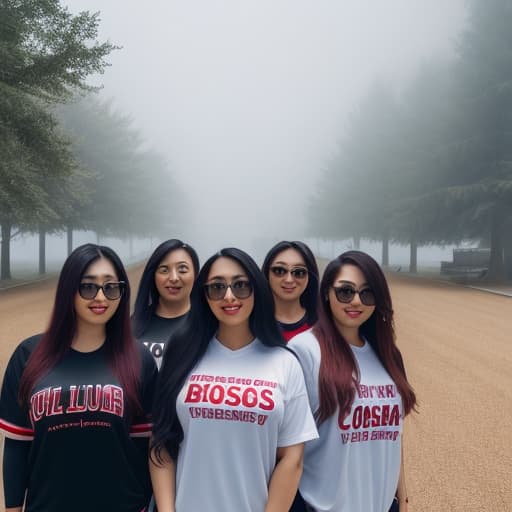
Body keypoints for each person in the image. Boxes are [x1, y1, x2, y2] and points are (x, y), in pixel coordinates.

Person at [150, 247, 318, 512]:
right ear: (203, 295)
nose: (229, 296)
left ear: (258, 290)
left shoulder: (284, 363)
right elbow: (161, 443)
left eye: (241, 286)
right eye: (216, 287)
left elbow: (292, 457)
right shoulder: (182, 353)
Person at [0, 244, 158, 512]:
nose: (101, 297)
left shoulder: (138, 358)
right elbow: (17, 447)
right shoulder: (29, 355)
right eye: (88, 286)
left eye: (111, 287)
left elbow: (147, 448)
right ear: (68, 290)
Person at [289, 250, 417, 512]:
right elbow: (287, 446)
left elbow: (393, 436)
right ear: (326, 293)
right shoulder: (305, 351)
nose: (356, 301)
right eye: (345, 291)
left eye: (367, 293)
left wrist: (403, 500)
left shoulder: (387, 354)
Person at [132, 239, 199, 368]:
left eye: (183, 269)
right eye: (164, 270)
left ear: (195, 275)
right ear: (153, 275)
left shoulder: (207, 325)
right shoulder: (133, 323)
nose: (174, 278)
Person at [262, 241, 319, 342]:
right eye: (279, 271)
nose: (289, 280)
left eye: (299, 272)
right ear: (267, 273)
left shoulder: (323, 324)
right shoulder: (252, 325)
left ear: (310, 276)